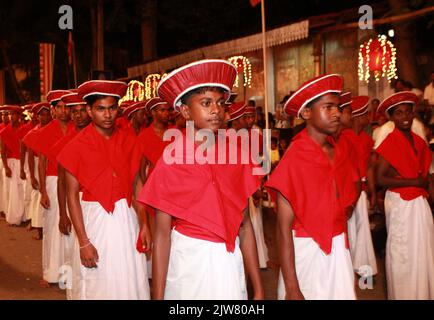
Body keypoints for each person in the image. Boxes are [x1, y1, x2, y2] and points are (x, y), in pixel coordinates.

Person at [137, 59, 264, 300]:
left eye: (220, 103)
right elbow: (162, 234)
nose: (216, 110)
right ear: (185, 111)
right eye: (206, 103)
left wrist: (257, 288)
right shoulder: (172, 158)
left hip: (228, 259)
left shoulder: (238, 153)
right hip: (189, 263)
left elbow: (245, 226)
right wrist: (158, 295)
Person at [266, 74, 359, 300]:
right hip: (306, 253)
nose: (337, 113)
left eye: (337, 107)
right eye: (328, 107)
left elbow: (349, 193)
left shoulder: (337, 151)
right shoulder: (295, 158)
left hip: (338, 248)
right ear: (307, 113)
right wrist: (292, 287)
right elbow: (282, 229)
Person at [57, 80, 150, 300]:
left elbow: (138, 185)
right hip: (95, 219)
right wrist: (83, 242)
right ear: (89, 110)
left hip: (127, 219)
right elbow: (71, 196)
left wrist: (144, 223)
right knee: (99, 280)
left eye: (112, 108)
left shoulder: (130, 141)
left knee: (129, 276)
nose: (107, 115)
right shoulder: (75, 146)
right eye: (100, 109)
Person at [375, 91, 434, 300]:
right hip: (401, 204)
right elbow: (381, 179)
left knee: (423, 251)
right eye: (398, 113)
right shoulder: (390, 141)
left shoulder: (419, 141)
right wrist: (413, 182)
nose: (405, 116)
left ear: (414, 112)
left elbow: (426, 174)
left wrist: (425, 187)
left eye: (408, 111)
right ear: (391, 118)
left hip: (419, 202)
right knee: (404, 255)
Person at [30, 89, 74, 287]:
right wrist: (43, 192)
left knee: (72, 229)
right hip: (52, 180)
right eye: (60, 107)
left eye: (67, 107)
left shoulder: (77, 128)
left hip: (74, 183)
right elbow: (41, 162)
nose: (64, 111)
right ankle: (50, 273)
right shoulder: (46, 131)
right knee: (52, 228)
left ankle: (70, 275)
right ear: (54, 110)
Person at [341, 96, 378, 278]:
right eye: (366, 114)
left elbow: (369, 167)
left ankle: (362, 265)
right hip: (348, 188)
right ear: (358, 116)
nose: (369, 117)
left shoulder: (366, 139)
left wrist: (371, 191)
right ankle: (350, 263)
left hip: (360, 187)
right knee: (349, 227)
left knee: (362, 226)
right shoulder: (344, 137)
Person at [22, 102, 52, 240]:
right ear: (37, 116)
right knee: (37, 197)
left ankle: (50, 228)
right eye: (42, 115)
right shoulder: (33, 132)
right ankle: (39, 229)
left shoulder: (55, 130)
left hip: (51, 166)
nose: (45, 117)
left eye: (47, 114)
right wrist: (32, 177)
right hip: (37, 165)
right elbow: (29, 155)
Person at [0, 105, 25, 226]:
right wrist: (6, 167)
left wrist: (23, 166)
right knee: (12, 191)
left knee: (22, 190)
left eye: (14, 114)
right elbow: (3, 151)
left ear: (19, 116)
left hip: (22, 162)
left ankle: (24, 216)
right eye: (10, 114)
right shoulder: (4, 131)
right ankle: (13, 217)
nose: (11, 117)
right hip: (11, 162)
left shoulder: (24, 129)